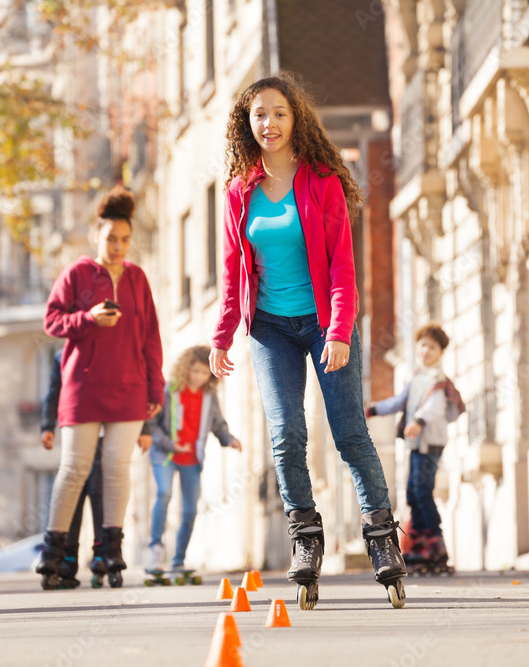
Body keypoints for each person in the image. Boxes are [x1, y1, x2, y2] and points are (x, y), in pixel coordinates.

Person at [208, 72, 407, 609]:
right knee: (286, 434)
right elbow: (234, 275)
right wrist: (222, 338)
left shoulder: (321, 182)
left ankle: (382, 537)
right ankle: (306, 538)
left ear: (295, 118)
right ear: (246, 125)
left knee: (349, 435)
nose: (268, 124)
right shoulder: (237, 191)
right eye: (259, 115)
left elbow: (343, 269)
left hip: (324, 323)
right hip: (270, 328)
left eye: (278, 113)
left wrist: (339, 332)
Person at [37, 186, 164, 590]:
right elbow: (51, 321)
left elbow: (151, 339)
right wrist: (87, 319)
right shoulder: (76, 274)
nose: (118, 247)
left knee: (116, 470)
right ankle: (54, 556)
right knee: (73, 470)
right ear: (97, 235)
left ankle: (110, 552)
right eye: (111, 239)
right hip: (82, 388)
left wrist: (154, 391)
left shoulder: (138, 278)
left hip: (128, 390)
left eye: (125, 240)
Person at [40, 350, 152, 588]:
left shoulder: (118, 351)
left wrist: (145, 429)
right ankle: (67, 560)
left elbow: (137, 389)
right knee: (74, 499)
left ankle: (104, 555)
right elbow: (54, 393)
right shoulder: (63, 357)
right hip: (79, 440)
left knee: (101, 496)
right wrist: (47, 425)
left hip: (107, 442)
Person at [365, 324, 465, 572]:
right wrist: (373, 410)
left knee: (422, 492)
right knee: (412, 493)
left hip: (430, 443)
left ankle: (436, 546)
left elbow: (435, 407)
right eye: (423, 345)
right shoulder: (417, 377)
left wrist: (419, 420)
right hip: (415, 444)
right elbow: (400, 402)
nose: (426, 350)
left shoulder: (438, 380)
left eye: (433, 347)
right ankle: (418, 547)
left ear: (441, 352)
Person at [146, 345, 242, 573]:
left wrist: (229, 439)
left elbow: (218, 424)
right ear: (185, 368)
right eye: (195, 370)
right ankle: (156, 550)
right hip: (165, 455)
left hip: (192, 458)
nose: (198, 377)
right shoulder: (169, 390)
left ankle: (178, 560)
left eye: (204, 372)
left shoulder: (209, 397)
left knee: (190, 510)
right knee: (164, 494)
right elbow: (151, 425)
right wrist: (171, 444)